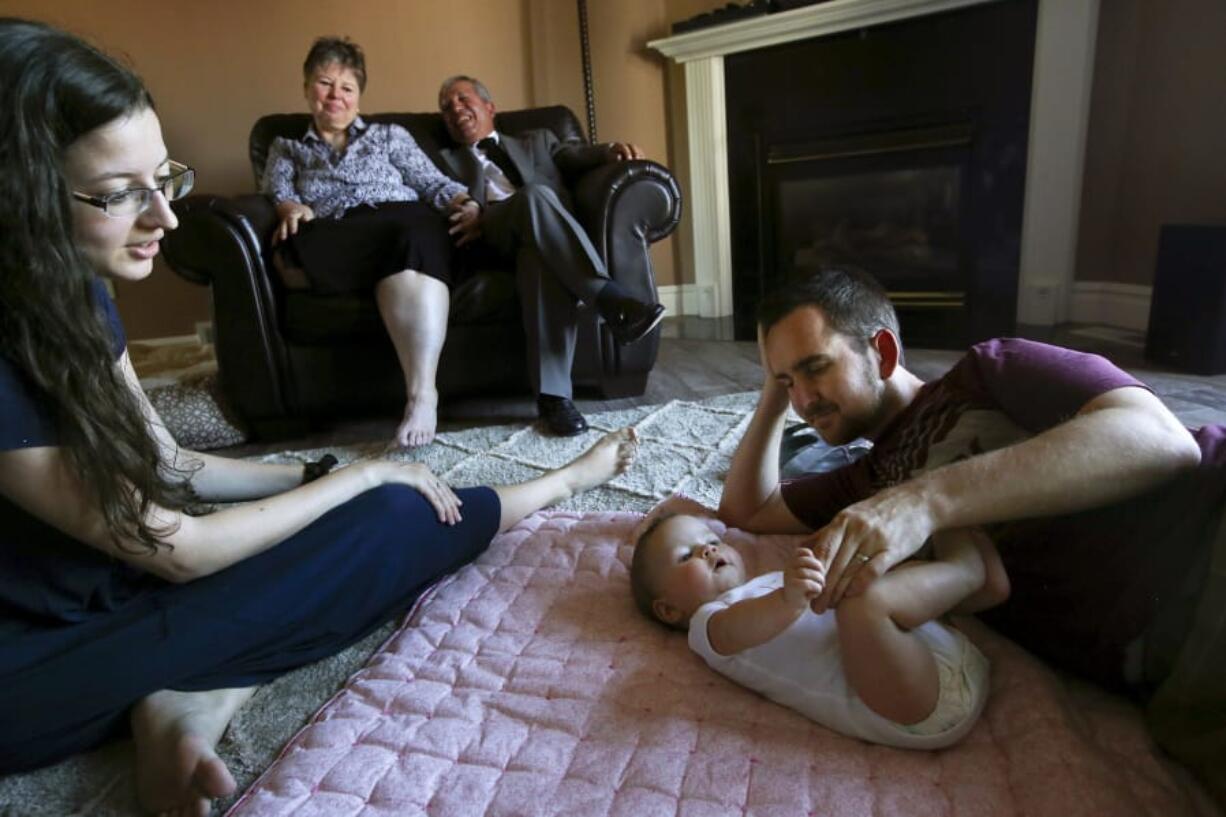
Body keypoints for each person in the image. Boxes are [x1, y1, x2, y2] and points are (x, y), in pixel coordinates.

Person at [0, 18, 640, 816]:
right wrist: (363, 471)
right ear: (18, 194)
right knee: (387, 522)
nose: (165, 218)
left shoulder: (77, 292)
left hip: (116, 587)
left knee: (388, 513)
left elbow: (169, 463)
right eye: (122, 192)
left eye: (164, 179)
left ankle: (193, 697)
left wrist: (318, 472)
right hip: (34, 658)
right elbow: (179, 548)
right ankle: (200, 684)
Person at [718, 266, 1226, 801]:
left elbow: (1161, 440)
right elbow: (746, 510)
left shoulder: (990, 371)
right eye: (788, 383)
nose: (804, 400)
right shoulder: (863, 484)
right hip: (1168, 675)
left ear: (884, 354)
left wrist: (924, 502)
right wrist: (772, 391)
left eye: (815, 368)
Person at [630, 505, 1007, 748]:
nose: (708, 550)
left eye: (711, 540)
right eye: (686, 556)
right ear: (668, 610)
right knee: (864, 602)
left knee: (874, 581)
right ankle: (968, 569)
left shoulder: (770, 583)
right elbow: (743, 628)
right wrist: (789, 599)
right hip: (908, 706)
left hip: (930, 653)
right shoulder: (708, 625)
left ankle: (982, 580)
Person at [263, 37, 480, 448]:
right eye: (325, 83)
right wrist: (290, 207)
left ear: (359, 97)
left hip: (400, 219)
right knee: (311, 241)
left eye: (346, 88)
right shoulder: (286, 147)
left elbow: (430, 182)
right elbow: (278, 191)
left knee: (413, 232)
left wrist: (466, 202)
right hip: (339, 229)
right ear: (307, 87)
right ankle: (420, 387)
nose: (335, 96)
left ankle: (421, 395)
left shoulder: (389, 135)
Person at [436, 75, 666, 437]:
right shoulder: (443, 161)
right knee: (535, 195)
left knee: (538, 252)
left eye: (463, 100)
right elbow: (433, 196)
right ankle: (609, 298)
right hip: (490, 232)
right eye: (447, 108)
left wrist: (609, 151)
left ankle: (554, 400)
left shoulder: (538, 139)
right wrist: (463, 207)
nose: (455, 110)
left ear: (489, 107)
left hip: (545, 240)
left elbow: (577, 156)